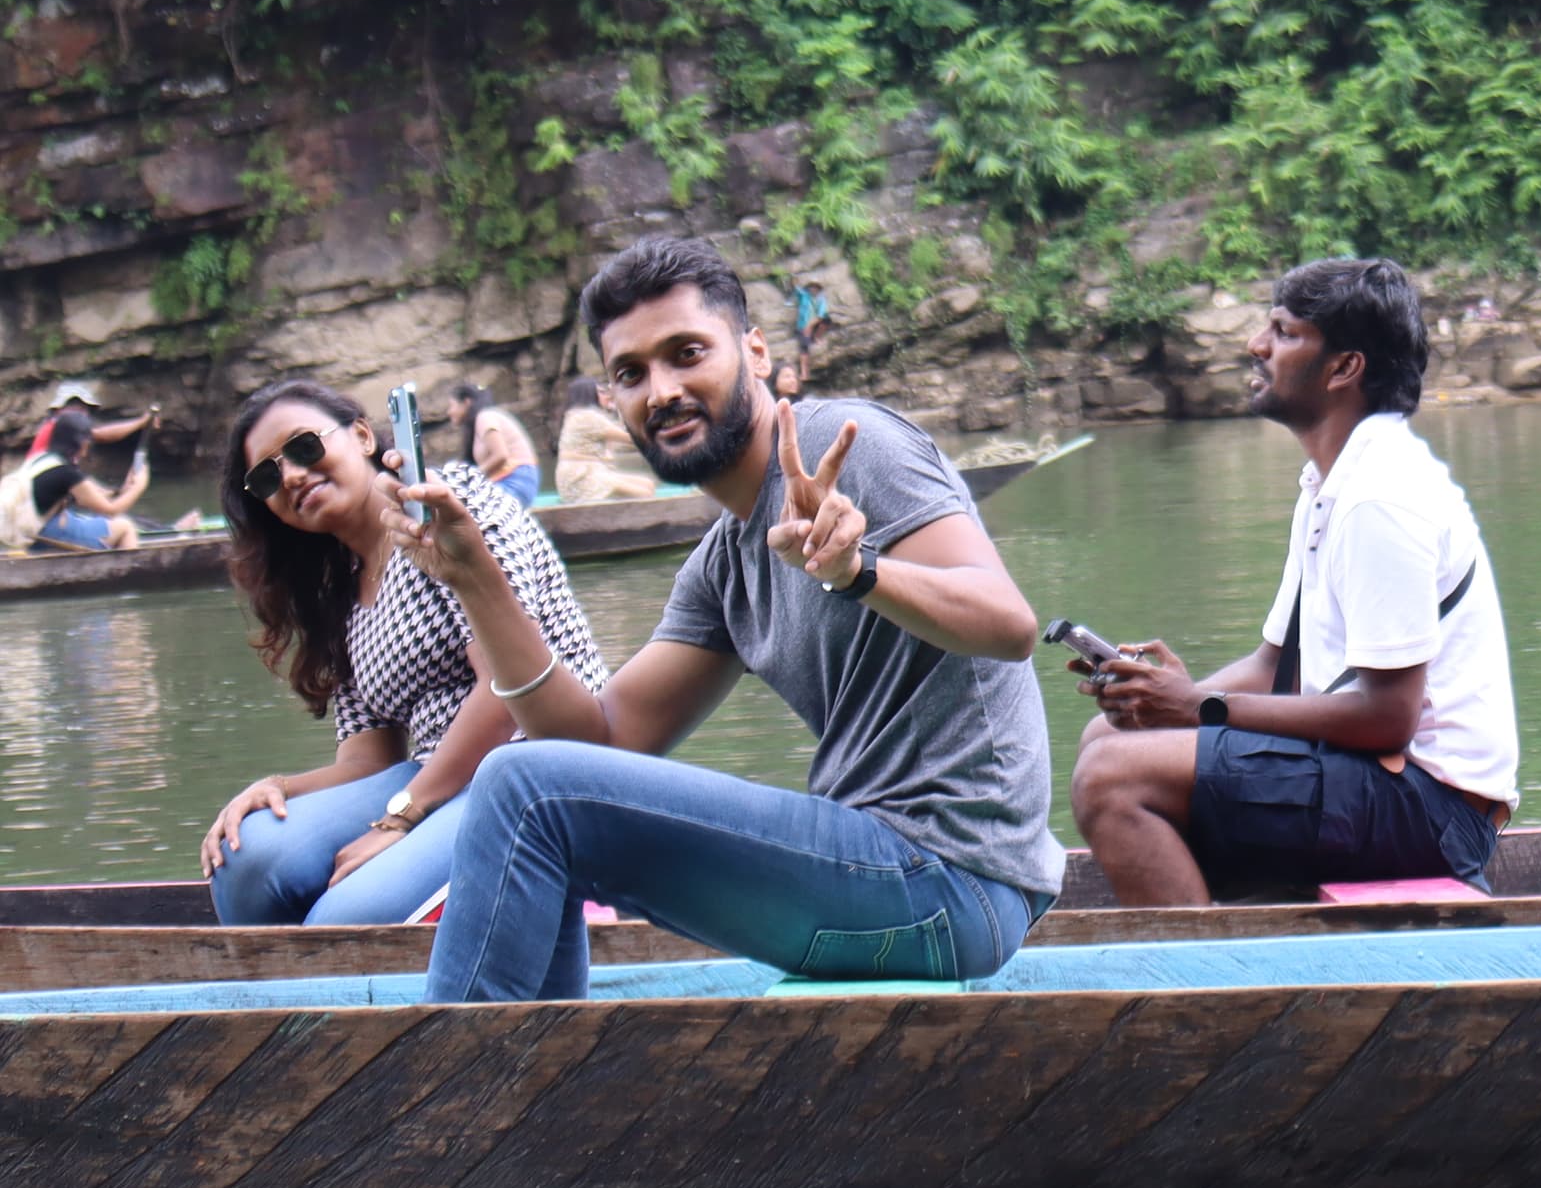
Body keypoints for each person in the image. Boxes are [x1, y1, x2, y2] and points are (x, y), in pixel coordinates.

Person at [410, 234, 1061, 1001]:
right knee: (536, 798)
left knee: (522, 789)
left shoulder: (849, 446)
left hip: (952, 879)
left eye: (687, 353)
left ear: (754, 352)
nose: (661, 391)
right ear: (612, 400)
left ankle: (450, 1074)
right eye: (631, 374)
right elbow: (594, 743)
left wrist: (857, 571)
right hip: (895, 882)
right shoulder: (722, 565)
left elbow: (1009, 625)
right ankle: (529, 1062)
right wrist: (477, 581)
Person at [1067, 259, 1520, 903]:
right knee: (1111, 736)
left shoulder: (1380, 496)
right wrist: (1164, 699)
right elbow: (1275, 666)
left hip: (1434, 809)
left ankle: (1214, 970)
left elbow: (1388, 718)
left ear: (1344, 368)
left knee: (1111, 777)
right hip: (1373, 779)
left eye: (1283, 332)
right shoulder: (1332, 484)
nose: (1257, 345)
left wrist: (1196, 708)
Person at [198, 379, 611, 926]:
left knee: (345, 922)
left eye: (303, 447)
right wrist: (275, 787)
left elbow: (505, 689)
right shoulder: (340, 590)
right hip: (433, 777)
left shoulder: (446, 507)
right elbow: (368, 761)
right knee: (246, 859)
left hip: (531, 762)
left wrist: (402, 818)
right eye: (268, 477)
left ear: (362, 436)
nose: (292, 475)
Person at [20, 406, 149, 551]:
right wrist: (139, 487)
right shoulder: (66, 473)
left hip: (35, 532)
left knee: (95, 520)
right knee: (125, 527)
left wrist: (123, 490)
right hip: (51, 535)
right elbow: (110, 510)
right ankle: (127, 566)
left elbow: (91, 496)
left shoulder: (42, 460)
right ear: (83, 443)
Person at [550, 372, 659, 503]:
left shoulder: (575, 415)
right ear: (590, 395)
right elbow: (631, 439)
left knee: (648, 484)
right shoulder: (587, 417)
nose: (607, 396)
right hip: (582, 478)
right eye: (601, 392)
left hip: (585, 475)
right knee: (643, 492)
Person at [454, 382, 543, 508]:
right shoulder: (478, 425)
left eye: (451, 406)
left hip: (515, 479)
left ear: (466, 402)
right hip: (506, 480)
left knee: (463, 507)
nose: (449, 412)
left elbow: (501, 455)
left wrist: (471, 478)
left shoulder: (485, 416)